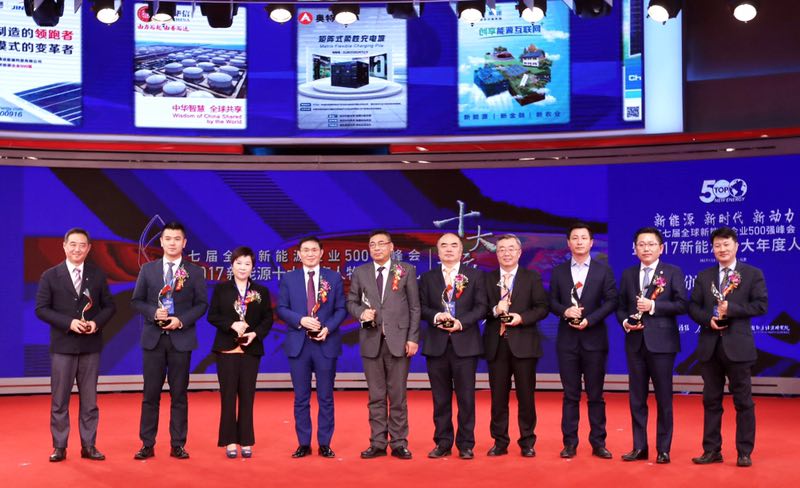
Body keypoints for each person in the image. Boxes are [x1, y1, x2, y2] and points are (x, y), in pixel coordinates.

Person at [688, 227, 768, 468]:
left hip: (738, 347)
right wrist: (708, 320)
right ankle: (711, 450)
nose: (721, 249)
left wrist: (731, 310)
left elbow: (761, 305)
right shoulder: (704, 276)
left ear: (736, 246)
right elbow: (693, 307)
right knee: (711, 400)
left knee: (743, 402)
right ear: (712, 249)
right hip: (710, 346)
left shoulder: (752, 274)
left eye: (726, 244)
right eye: (717, 245)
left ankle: (744, 452)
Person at [35, 228, 116, 462]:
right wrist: (69, 323)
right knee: (60, 400)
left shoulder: (97, 275)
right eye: (72, 244)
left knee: (90, 401)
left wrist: (95, 324)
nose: (77, 249)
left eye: (82, 245)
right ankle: (59, 446)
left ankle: (89, 445)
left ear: (89, 248)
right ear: (64, 246)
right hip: (62, 346)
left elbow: (110, 307)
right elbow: (41, 309)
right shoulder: (50, 275)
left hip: (90, 346)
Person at [131, 221, 208, 460]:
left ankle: (178, 444)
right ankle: (147, 444)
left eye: (177, 239)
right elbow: (136, 301)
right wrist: (154, 312)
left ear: (184, 243)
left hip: (181, 340)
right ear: (161, 242)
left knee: (179, 395)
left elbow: (201, 305)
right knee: (150, 395)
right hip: (153, 340)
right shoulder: (148, 270)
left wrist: (180, 320)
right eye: (168, 238)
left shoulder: (195, 272)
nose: (172, 243)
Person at [346, 230, 420, 460]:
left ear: (391, 247)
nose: (376, 248)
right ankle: (377, 442)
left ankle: (399, 443)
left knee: (398, 396)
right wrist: (361, 312)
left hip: (399, 342)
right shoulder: (361, 272)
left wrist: (412, 338)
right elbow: (351, 301)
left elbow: (415, 307)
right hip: (371, 341)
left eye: (381, 244)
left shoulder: (405, 270)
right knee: (376, 396)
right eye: (372, 244)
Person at [616, 227, 687, 465]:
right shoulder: (628, 274)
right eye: (641, 244)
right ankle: (639, 447)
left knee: (664, 398)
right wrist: (626, 322)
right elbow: (621, 306)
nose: (646, 248)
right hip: (635, 343)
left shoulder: (673, 272)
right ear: (635, 249)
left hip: (662, 345)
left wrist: (653, 307)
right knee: (637, 398)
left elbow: (682, 304)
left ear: (661, 248)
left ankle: (663, 449)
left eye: (651, 244)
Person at [549, 222, 618, 459]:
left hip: (594, 340)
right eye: (575, 238)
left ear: (591, 242)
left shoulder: (603, 270)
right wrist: (564, 311)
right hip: (567, 341)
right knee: (570, 395)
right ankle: (569, 443)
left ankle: (598, 443)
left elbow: (612, 301)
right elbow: (551, 301)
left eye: (583, 238)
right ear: (568, 243)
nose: (579, 242)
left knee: (596, 395)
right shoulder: (559, 271)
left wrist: (590, 320)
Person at [277, 236, 346, 459]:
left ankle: (324, 443)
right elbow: (281, 308)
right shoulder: (289, 278)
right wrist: (300, 320)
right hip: (299, 344)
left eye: (314, 250)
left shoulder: (333, 277)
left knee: (326, 397)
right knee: (301, 398)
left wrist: (328, 328)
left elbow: (341, 309)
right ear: (298, 254)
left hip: (325, 343)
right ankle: (303, 443)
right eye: (305, 250)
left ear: (322, 253)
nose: (309, 254)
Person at [419, 233, 487, 460]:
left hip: (465, 344)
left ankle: (466, 444)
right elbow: (420, 307)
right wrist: (436, 316)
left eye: (454, 245)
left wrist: (461, 322)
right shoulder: (427, 278)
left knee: (466, 399)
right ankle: (443, 442)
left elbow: (481, 307)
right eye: (444, 246)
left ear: (461, 250)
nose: (449, 249)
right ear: (437, 251)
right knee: (440, 399)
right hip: (436, 345)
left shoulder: (475, 275)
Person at [483, 234, 549, 458]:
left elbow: (542, 308)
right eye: (502, 249)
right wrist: (495, 310)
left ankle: (527, 441)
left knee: (526, 397)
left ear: (519, 253)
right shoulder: (487, 278)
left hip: (524, 345)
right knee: (498, 398)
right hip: (496, 345)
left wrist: (521, 318)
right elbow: (480, 308)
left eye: (511, 249)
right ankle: (500, 441)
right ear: (497, 253)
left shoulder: (532, 277)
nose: (506, 253)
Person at [207, 246, 273, 458]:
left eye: (247, 263)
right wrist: (231, 325)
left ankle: (246, 441)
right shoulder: (221, 289)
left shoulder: (261, 291)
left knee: (247, 396)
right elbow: (212, 316)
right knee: (228, 397)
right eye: (238, 263)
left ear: (253, 267)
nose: (243, 267)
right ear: (232, 265)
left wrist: (255, 334)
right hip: (227, 349)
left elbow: (268, 319)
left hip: (250, 349)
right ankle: (229, 441)